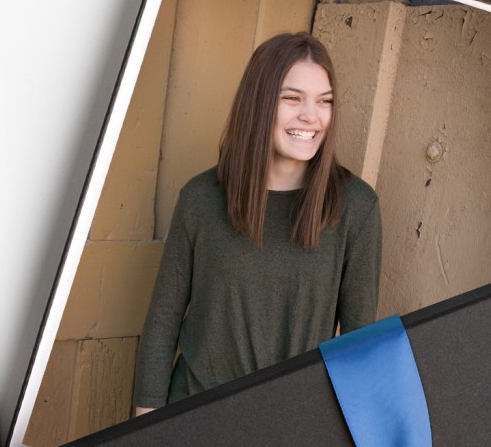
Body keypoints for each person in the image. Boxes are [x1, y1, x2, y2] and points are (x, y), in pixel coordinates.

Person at [132, 32, 381, 413]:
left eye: (324, 101)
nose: (311, 116)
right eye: (292, 98)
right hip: (193, 417)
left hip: (290, 427)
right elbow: (162, 323)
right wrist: (144, 428)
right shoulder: (201, 199)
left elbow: (360, 346)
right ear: (259, 102)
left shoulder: (356, 208)